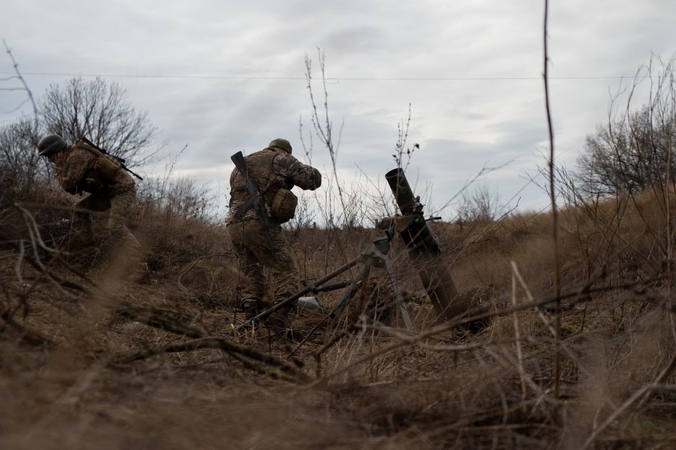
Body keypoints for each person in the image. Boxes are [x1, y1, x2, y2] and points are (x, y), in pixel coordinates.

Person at [226, 138, 321, 331]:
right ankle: (280, 319)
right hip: (259, 223)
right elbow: (312, 180)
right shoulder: (281, 159)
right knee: (286, 270)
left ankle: (250, 320)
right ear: (285, 151)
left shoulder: (240, 166)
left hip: (234, 224)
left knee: (250, 272)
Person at [37, 134, 143, 266]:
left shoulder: (76, 156)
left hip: (122, 189)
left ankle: (140, 265)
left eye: (49, 156)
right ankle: (90, 252)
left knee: (115, 227)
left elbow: (70, 186)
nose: (49, 160)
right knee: (79, 210)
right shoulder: (71, 157)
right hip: (107, 192)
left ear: (57, 152)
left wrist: (58, 169)